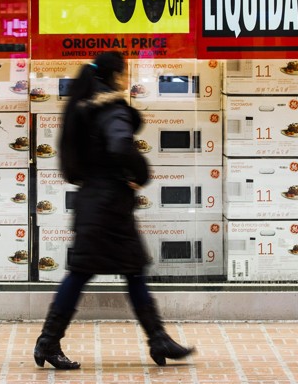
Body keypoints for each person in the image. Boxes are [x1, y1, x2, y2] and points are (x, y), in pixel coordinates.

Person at [33, 51, 196, 370]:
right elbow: (121, 146)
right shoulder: (111, 109)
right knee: (92, 272)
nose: (126, 79)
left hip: (95, 202)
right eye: (124, 73)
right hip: (109, 207)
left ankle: (157, 338)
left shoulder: (82, 108)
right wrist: (140, 174)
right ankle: (48, 342)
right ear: (115, 76)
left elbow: (73, 162)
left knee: (125, 271)